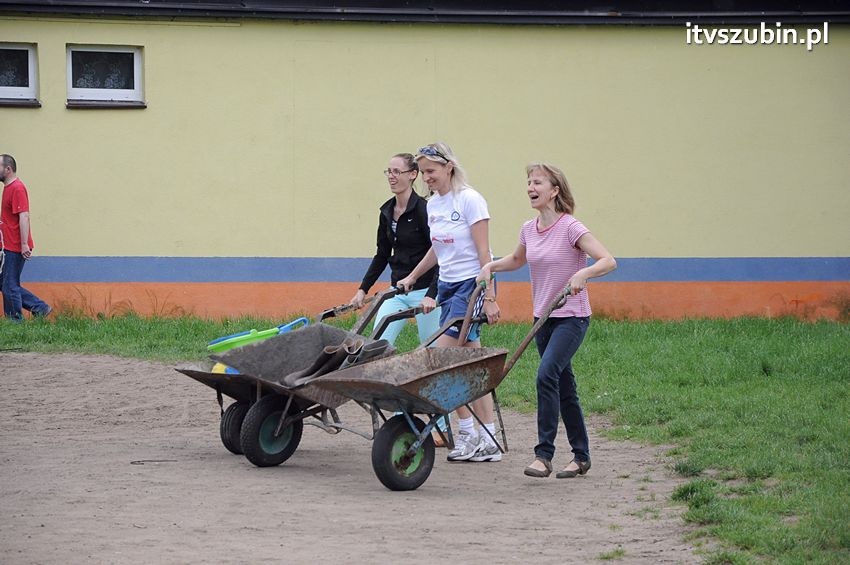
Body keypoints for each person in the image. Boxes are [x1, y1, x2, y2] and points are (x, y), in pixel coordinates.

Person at [477, 162, 616, 478]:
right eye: (528, 182)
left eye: (537, 182)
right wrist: (490, 267)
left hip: (572, 317)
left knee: (545, 375)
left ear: (554, 190)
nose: (530, 187)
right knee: (564, 388)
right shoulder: (528, 228)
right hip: (543, 318)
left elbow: (608, 260)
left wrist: (583, 272)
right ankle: (581, 456)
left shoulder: (571, 228)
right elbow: (516, 259)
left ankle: (543, 455)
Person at [398, 142, 502, 463]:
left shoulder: (469, 199)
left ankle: (476, 435)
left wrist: (490, 298)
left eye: (430, 171)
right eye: (423, 173)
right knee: (469, 365)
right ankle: (482, 437)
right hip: (446, 286)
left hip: (470, 287)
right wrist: (414, 276)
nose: (426, 178)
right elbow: (437, 249)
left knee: (443, 358)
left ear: (448, 168)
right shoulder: (434, 206)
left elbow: (486, 253)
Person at [350, 153, 441, 346]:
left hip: (424, 291)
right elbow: (382, 255)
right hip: (397, 291)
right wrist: (362, 290)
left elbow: (440, 253)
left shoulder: (424, 210)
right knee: (376, 345)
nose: (391, 176)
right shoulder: (387, 212)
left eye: (397, 171)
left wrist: (431, 294)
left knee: (431, 349)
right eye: (389, 171)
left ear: (413, 174)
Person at [1, 154, 51, 321]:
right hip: (7, 244)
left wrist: (23, 245)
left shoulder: (17, 188)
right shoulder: (8, 188)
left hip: (15, 245)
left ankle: (15, 322)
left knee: (10, 285)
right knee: (6, 283)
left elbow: (24, 216)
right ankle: (39, 307)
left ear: (8, 169)